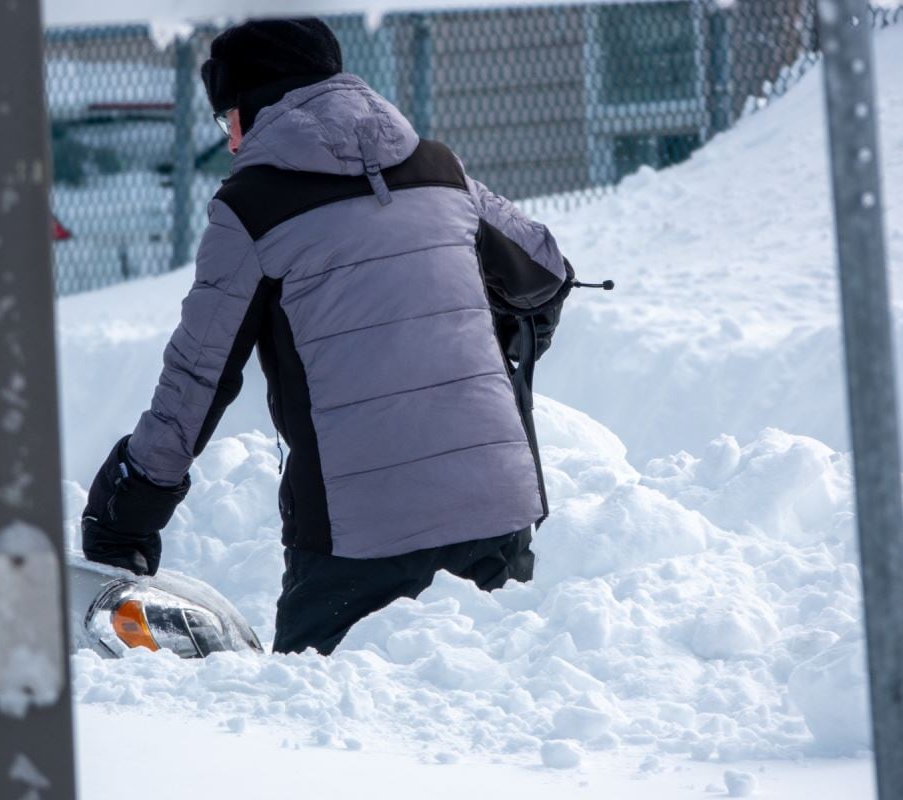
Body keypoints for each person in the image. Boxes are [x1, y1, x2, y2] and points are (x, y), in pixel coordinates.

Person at [81, 17, 574, 655]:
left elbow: (198, 378)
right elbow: (547, 272)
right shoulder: (439, 169)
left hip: (358, 537)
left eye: (225, 120)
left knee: (311, 728)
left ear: (251, 110)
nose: (229, 143)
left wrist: (128, 509)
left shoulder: (251, 206)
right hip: (496, 516)